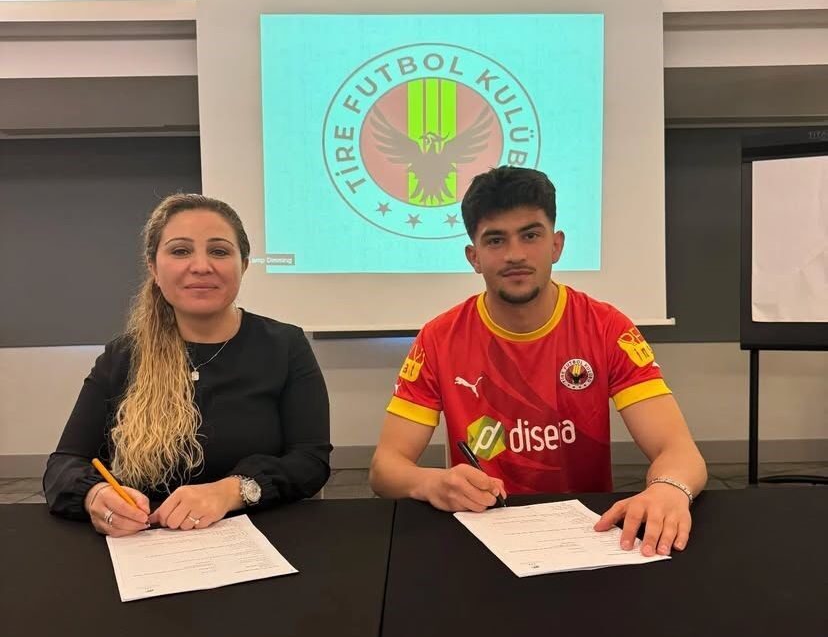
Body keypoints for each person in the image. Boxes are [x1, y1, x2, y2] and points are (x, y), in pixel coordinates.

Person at [370, 166, 707, 557]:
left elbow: (679, 450)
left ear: (556, 245)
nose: (515, 254)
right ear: (474, 257)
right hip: (481, 537)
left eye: (530, 235)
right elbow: (385, 467)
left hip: (588, 537)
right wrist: (431, 483)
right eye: (495, 240)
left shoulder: (606, 327)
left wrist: (668, 487)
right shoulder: (439, 338)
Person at [44, 193, 331, 536]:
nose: (201, 266)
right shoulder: (122, 356)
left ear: (243, 265)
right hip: (145, 545)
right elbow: (63, 465)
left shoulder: (285, 346)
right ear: (153, 267)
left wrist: (231, 491)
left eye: (219, 251)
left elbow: (310, 461)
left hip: (261, 539)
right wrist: (95, 495)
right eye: (180, 251)